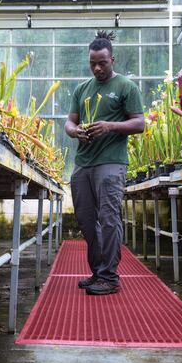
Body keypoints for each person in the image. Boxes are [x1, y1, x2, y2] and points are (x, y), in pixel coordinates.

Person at [65, 30, 145, 295]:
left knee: (109, 219)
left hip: (111, 162)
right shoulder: (82, 89)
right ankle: (97, 271)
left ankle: (110, 277)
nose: (97, 68)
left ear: (113, 59)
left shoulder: (125, 87)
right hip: (84, 162)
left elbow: (139, 123)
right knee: (87, 220)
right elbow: (69, 121)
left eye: (102, 62)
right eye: (93, 63)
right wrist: (75, 131)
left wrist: (109, 126)